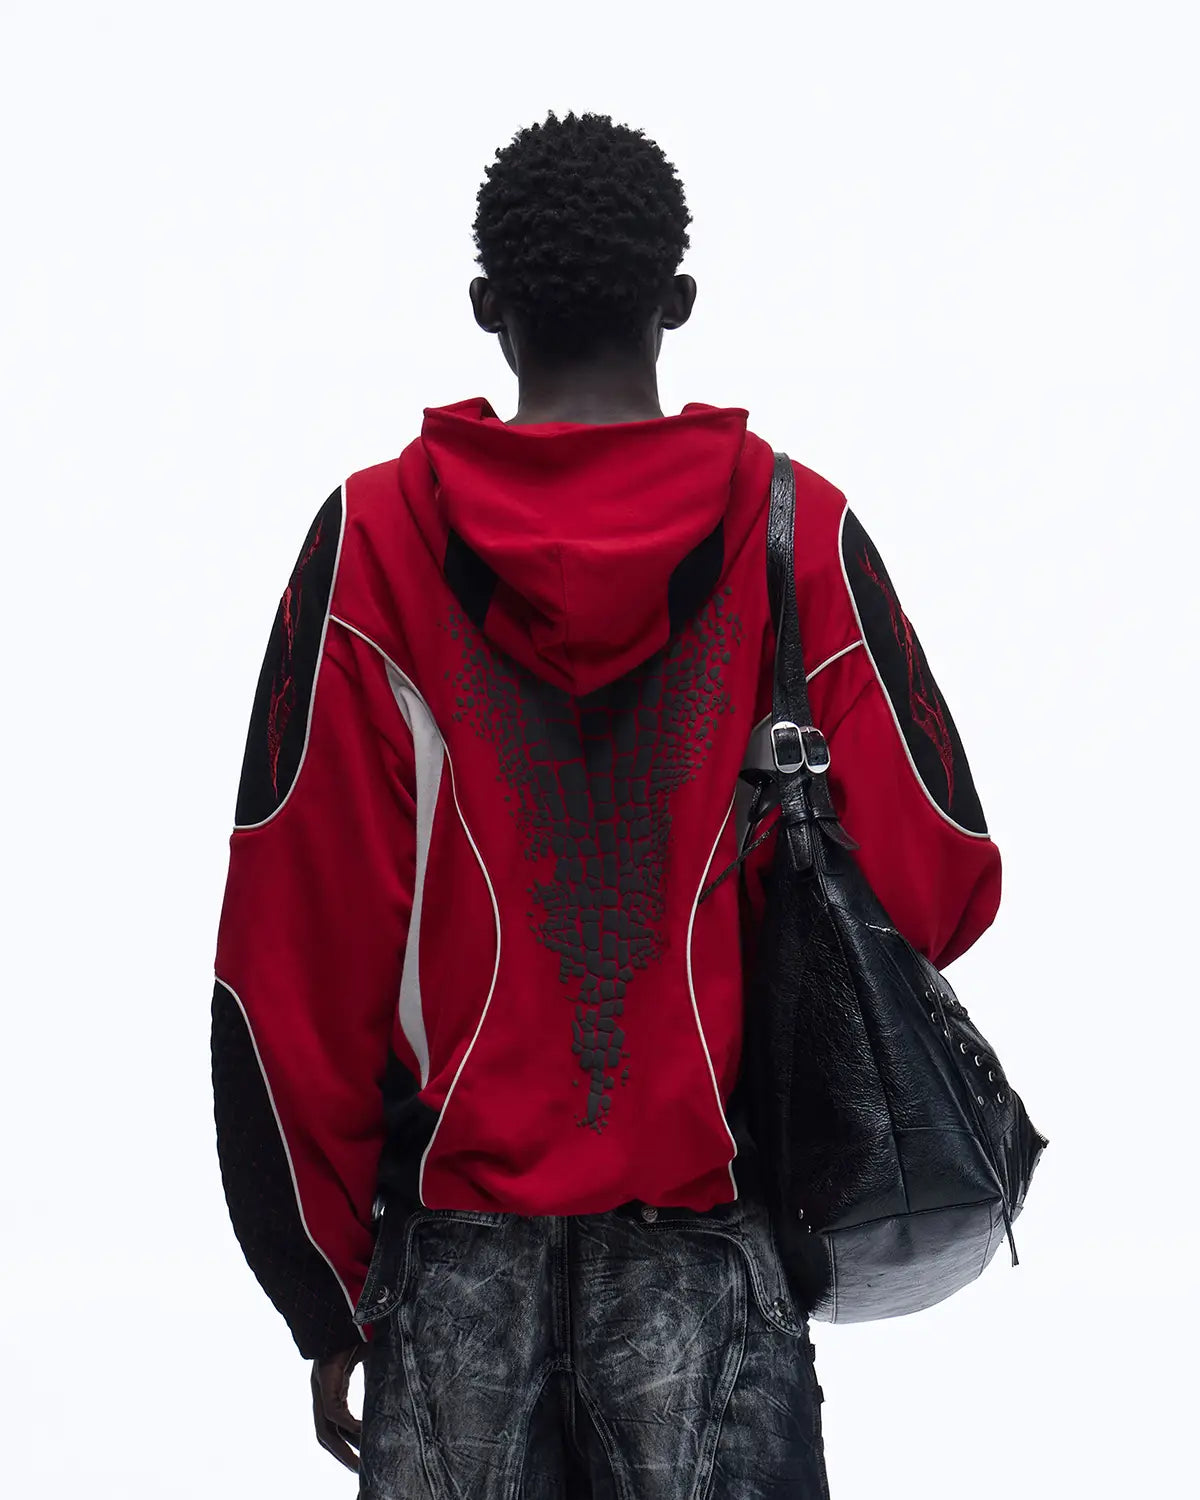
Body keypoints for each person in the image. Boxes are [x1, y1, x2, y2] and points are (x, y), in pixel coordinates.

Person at [209, 109, 1002, 1499]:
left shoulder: (370, 545)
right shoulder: (796, 534)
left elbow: (289, 964)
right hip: (713, 1264)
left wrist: (320, 1294)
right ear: (676, 302)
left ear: (488, 310)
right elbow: (939, 882)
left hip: (449, 1283)